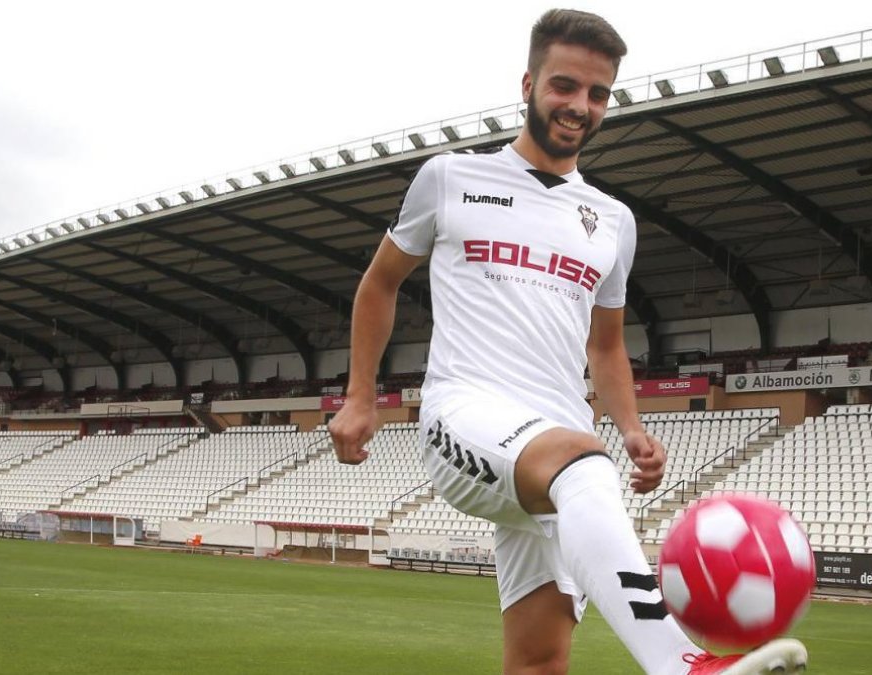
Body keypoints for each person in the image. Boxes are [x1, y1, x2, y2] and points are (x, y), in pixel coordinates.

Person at [328, 9, 807, 674]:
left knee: (540, 661)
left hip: (557, 446)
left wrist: (631, 427)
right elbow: (380, 283)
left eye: (598, 93)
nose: (580, 105)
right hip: (463, 416)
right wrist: (360, 396)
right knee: (582, 461)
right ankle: (681, 664)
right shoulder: (449, 178)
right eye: (564, 85)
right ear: (528, 84)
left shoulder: (612, 221)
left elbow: (605, 347)